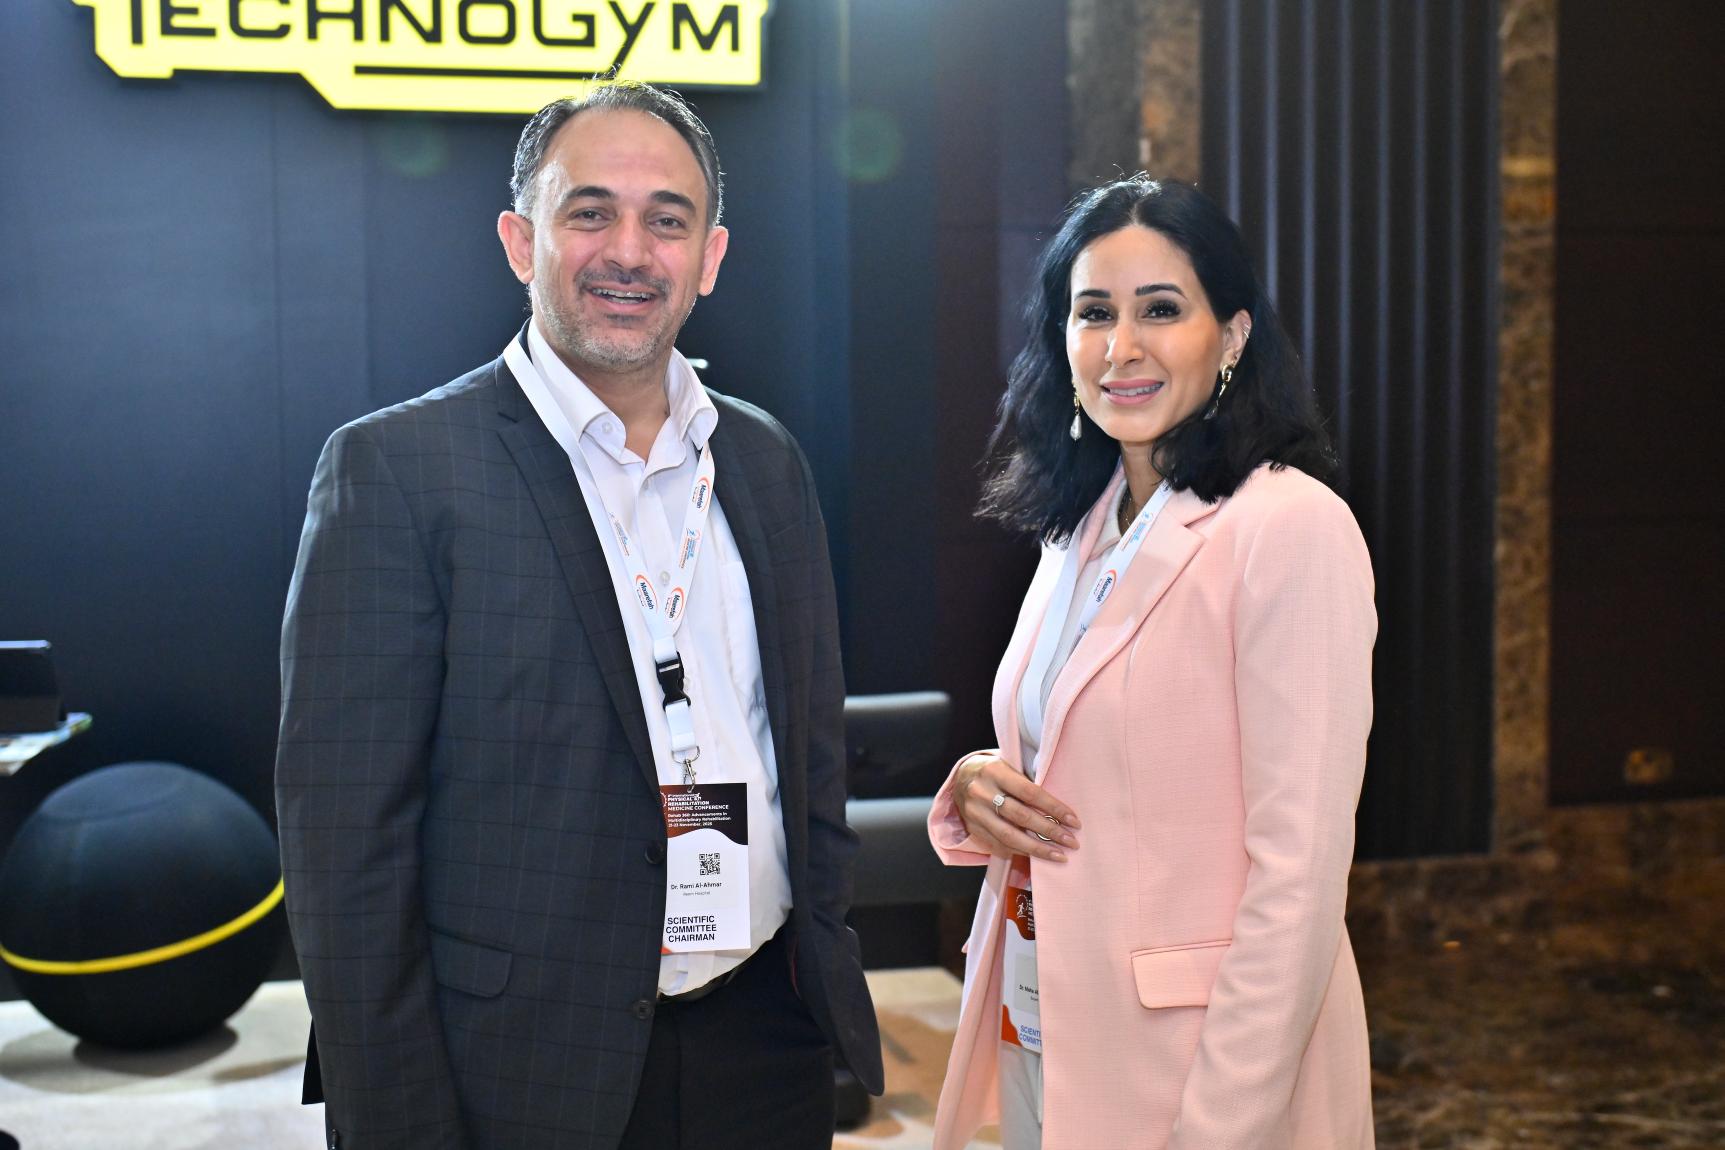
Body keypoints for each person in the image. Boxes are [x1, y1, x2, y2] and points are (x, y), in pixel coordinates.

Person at [276, 82, 881, 1150]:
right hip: (521, 1068)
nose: (630, 252)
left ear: (710, 257)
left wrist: (820, 970)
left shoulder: (764, 459)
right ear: (522, 241)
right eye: (590, 212)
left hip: (766, 1037)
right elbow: (346, 854)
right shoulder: (398, 470)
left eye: (667, 220)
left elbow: (807, 751)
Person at [927, 175, 1377, 1150]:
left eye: (1161, 310)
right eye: (1093, 313)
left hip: (1200, 1076)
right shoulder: (1077, 528)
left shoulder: (1289, 527)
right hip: (1045, 1033)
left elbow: (1298, 880)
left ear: (1234, 335)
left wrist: (1216, 1128)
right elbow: (1082, 751)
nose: (1121, 346)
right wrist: (978, 784)